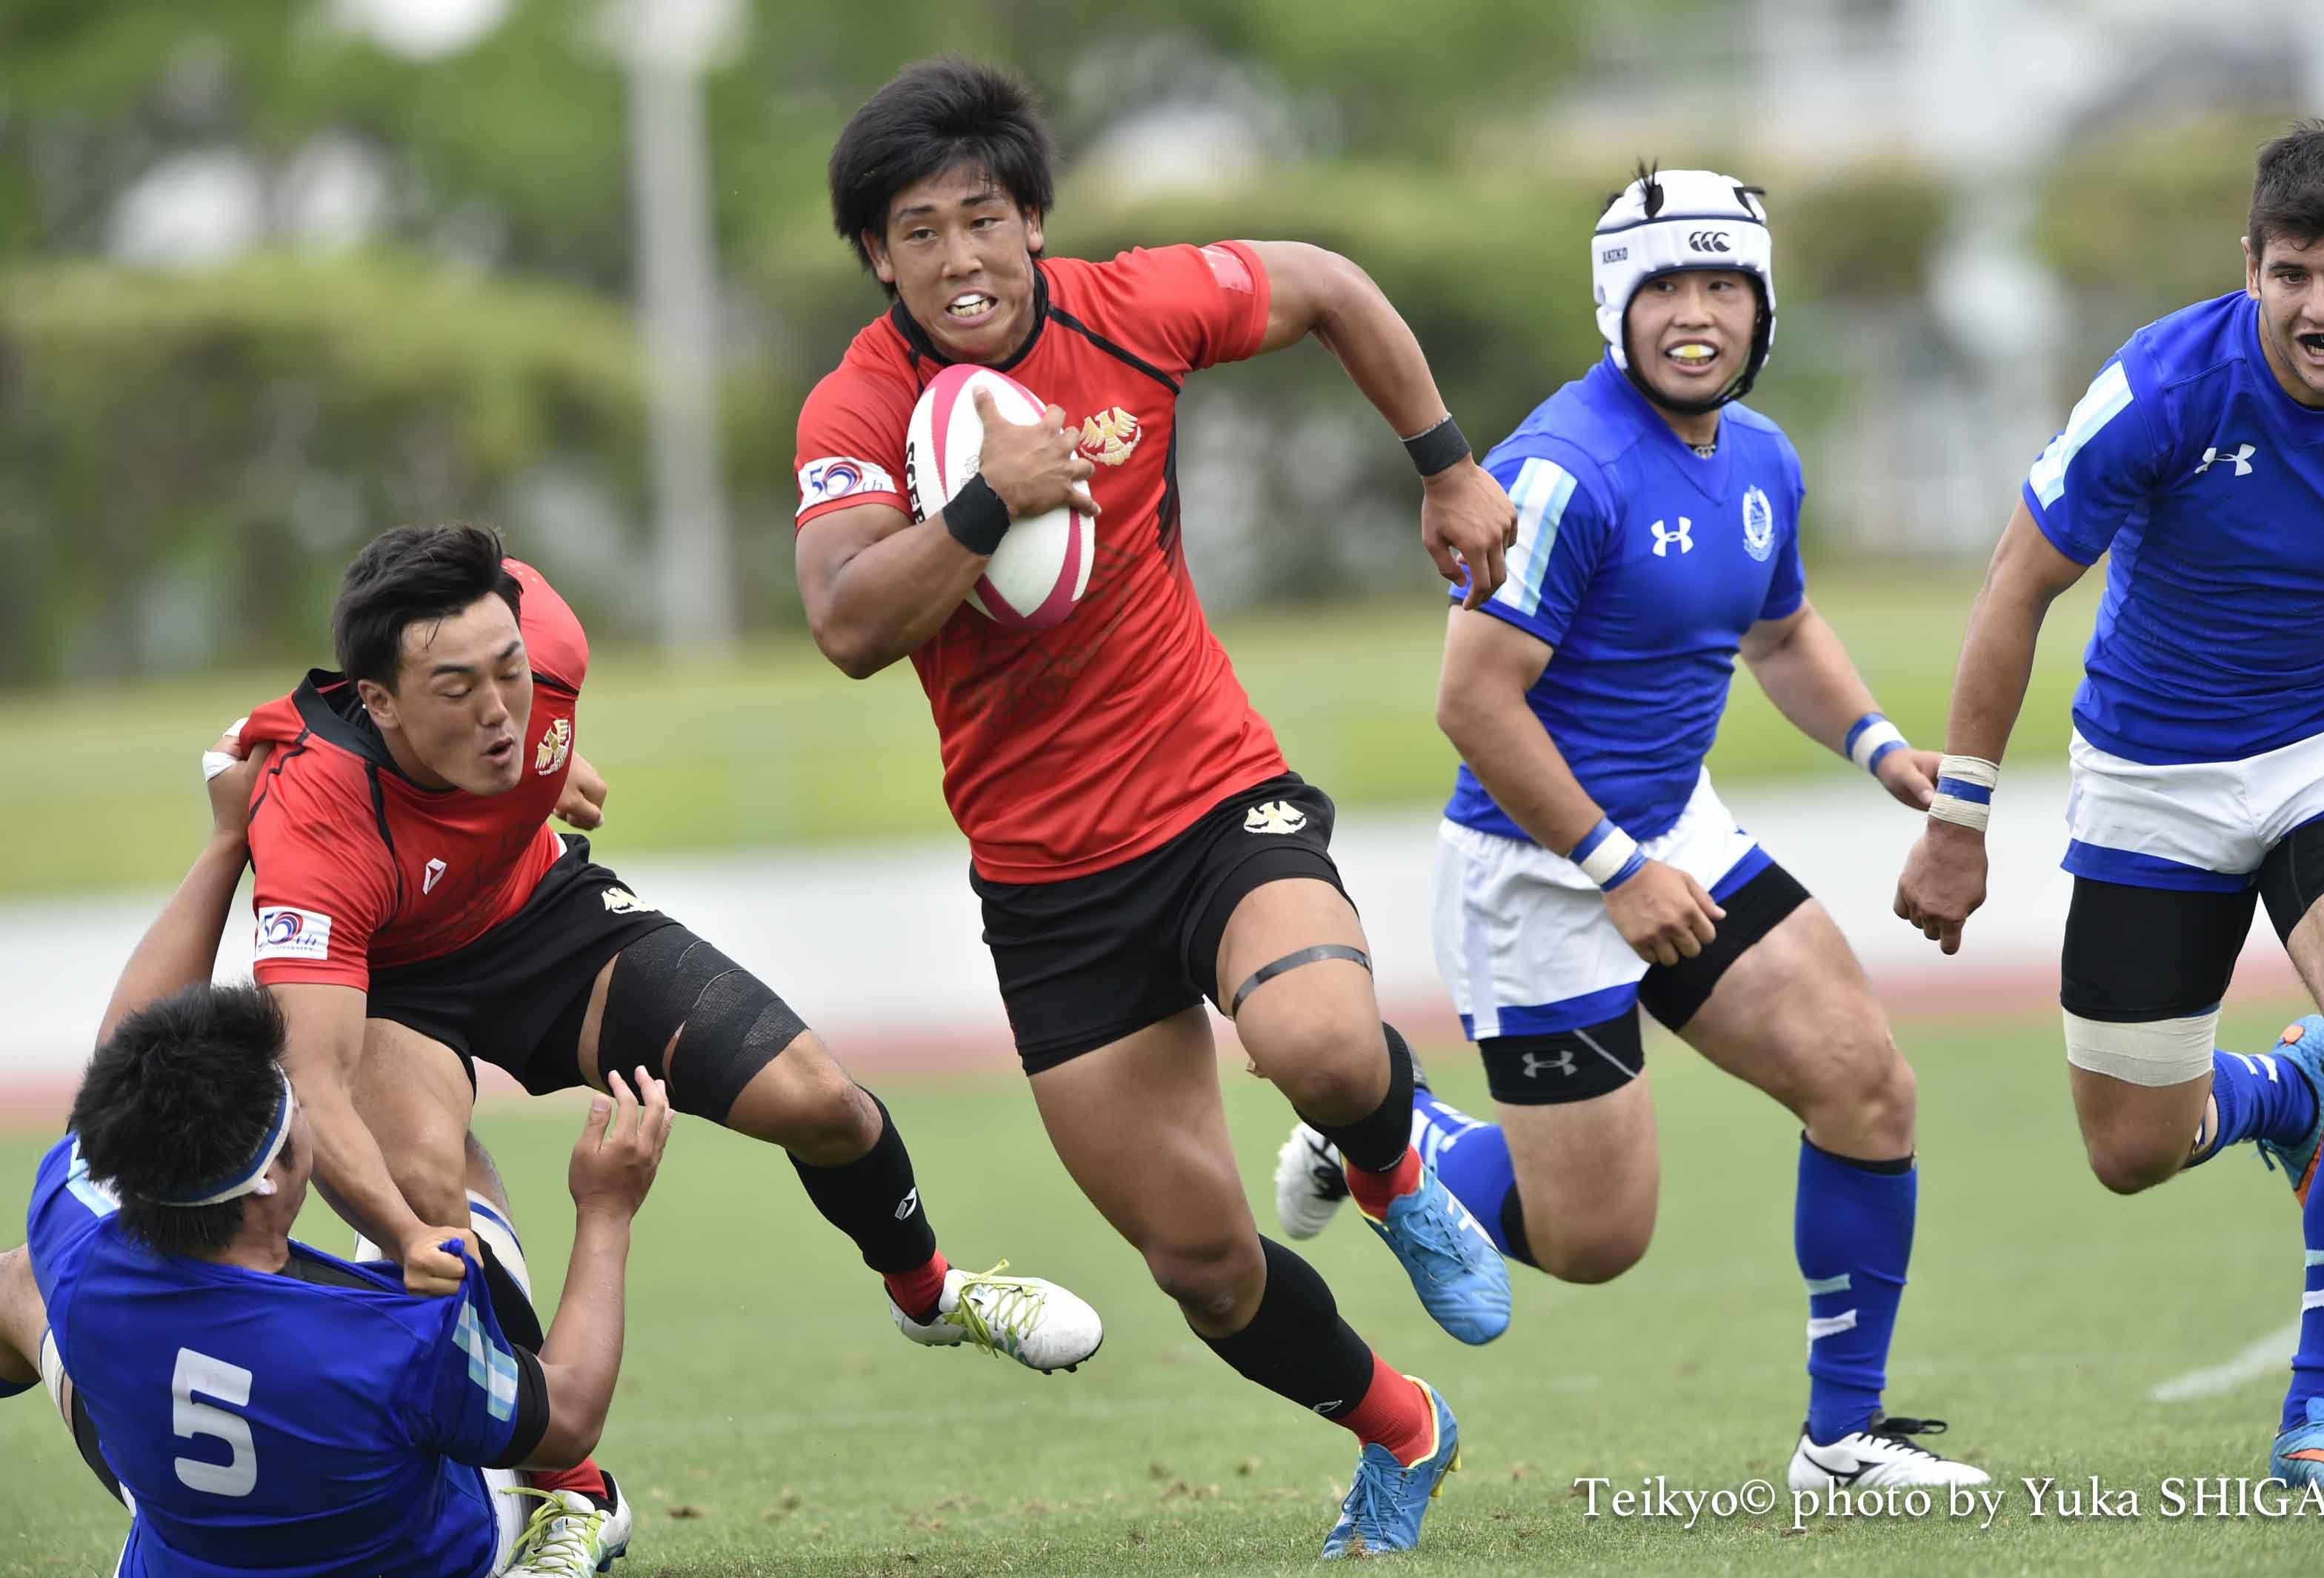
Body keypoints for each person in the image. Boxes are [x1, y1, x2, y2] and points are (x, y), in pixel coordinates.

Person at [792, 58, 1518, 1558]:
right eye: (915, 231)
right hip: (1048, 887)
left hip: (1212, 800)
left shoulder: (1135, 308)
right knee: (1199, 1262)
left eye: (982, 219)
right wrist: (988, 502)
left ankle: (1387, 1171)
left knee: (1318, 1043)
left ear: (1035, 220)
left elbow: (1321, 283)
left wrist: (1444, 468)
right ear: (875, 255)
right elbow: (852, 625)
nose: (957, 259)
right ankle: (1402, 1427)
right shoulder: (858, 404)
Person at [1279, 165, 1994, 1490]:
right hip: (1538, 876)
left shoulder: (1761, 452)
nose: (1696, 314)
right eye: (1666, 285)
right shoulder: (1562, 469)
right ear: (1618, 303)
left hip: (1680, 833)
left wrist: (1881, 749)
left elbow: (1780, 633)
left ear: (1761, 306)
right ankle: (1386, 1134)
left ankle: (1840, 1443)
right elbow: (1473, 703)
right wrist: (1612, 868)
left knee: (1867, 1088)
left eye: (1725, 284)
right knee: (1596, 1241)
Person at [228, 522, 1099, 1396]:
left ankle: (927, 1292)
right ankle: (565, 1485)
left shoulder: (550, 642)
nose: (498, 710)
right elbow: (317, 1084)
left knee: (822, 1102)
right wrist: (405, 1237)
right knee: (419, 1190)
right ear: (378, 701)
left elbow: (513, 709)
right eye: (456, 690)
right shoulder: (313, 816)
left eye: (509, 672)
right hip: (394, 985)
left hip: (539, 913)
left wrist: (543, 763)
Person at [1894, 120, 2324, 1488]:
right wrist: (1959, 818)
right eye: (2294, 275)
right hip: (2155, 773)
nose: (2322, 305)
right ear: (2251, 270)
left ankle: (2319, 1411)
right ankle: (2287, 1094)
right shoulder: (2163, 384)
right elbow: (2015, 581)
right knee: (2130, 1149)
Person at [0, 734, 673, 1577]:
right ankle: (574, 1506)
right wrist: (604, 1211)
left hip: (190, 1546)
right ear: (276, 1178)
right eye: (302, 1104)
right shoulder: (390, 1342)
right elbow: (568, 1413)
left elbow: (119, 1066)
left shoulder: (79, 1235)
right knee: (442, 1165)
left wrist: (227, 840)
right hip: (423, 1556)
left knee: (18, 1281)